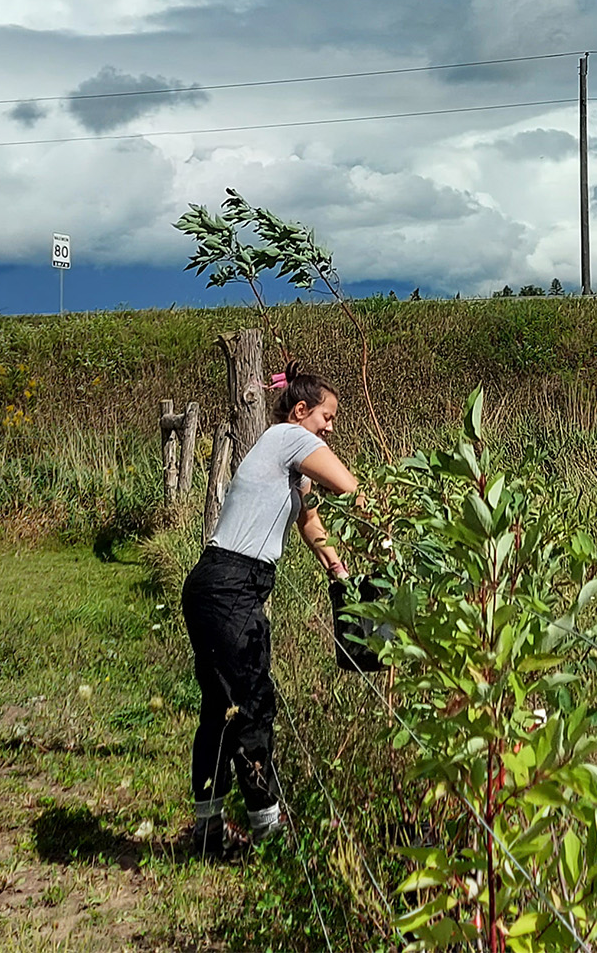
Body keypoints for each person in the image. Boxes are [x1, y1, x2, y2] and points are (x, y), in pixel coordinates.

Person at [176, 361, 358, 855]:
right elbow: (346, 485)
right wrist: (385, 512)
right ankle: (269, 832)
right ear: (301, 411)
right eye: (326, 417)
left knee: (221, 707)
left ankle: (209, 829)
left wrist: (337, 569)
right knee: (253, 704)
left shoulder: (281, 459)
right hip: (232, 586)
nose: (330, 427)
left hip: (217, 585)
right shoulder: (286, 439)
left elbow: (308, 519)